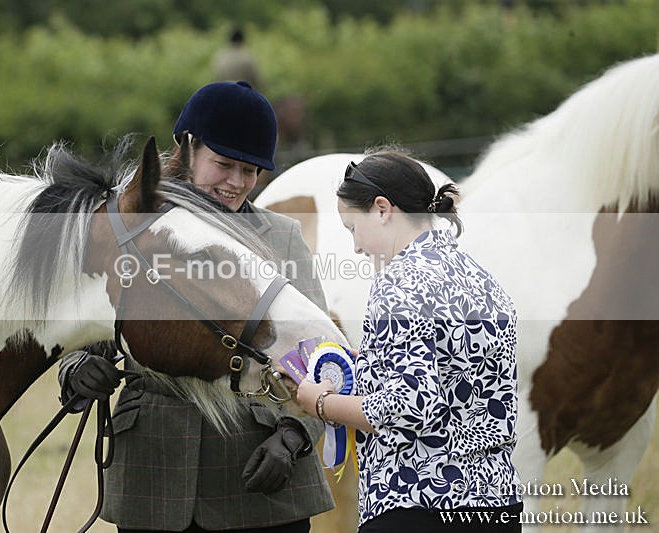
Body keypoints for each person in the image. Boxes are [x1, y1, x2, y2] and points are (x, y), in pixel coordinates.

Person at [58, 81, 334, 532]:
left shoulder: (282, 237)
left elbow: (320, 356)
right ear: (186, 149)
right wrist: (77, 368)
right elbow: (89, 319)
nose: (236, 182)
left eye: (250, 171)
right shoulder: (138, 225)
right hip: (154, 469)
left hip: (255, 465)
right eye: (223, 164)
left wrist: (293, 435)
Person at [296, 149, 523, 532]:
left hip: (418, 499)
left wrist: (321, 403)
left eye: (353, 228)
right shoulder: (482, 279)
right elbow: (458, 378)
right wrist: (371, 363)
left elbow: (411, 405)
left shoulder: (397, 282)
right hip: (496, 500)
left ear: (382, 209)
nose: (356, 247)